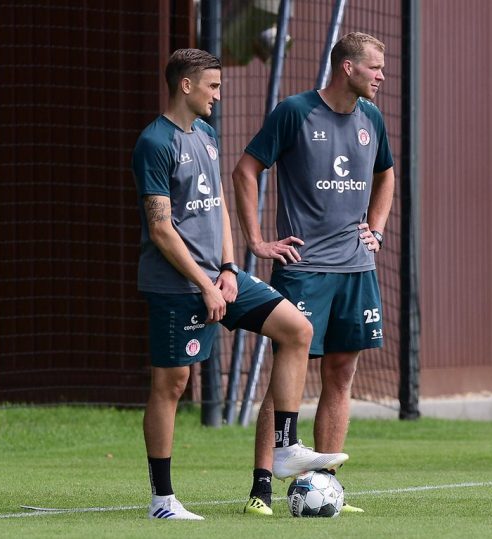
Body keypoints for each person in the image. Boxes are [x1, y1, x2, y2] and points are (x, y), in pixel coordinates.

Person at [131, 48, 348, 521]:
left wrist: (229, 269)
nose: (218, 94)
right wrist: (204, 284)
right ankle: (162, 500)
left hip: (220, 277)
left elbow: (219, 209)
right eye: (212, 85)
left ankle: (286, 447)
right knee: (173, 384)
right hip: (177, 285)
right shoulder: (154, 142)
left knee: (296, 330)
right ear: (186, 86)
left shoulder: (207, 135)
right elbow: (162, 228)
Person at [232, 32, 395, 516]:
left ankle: (323, 487)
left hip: (356, 268)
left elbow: (386, 172)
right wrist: (257, 241)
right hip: (304, 270)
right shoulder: (295, 111)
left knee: (341, 375)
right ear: (347, 68)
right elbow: (245, 170)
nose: (382, 77)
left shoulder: (373, 119)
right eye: (374, 68)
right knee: (288, 378)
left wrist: (378, 229)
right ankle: (261, 488)